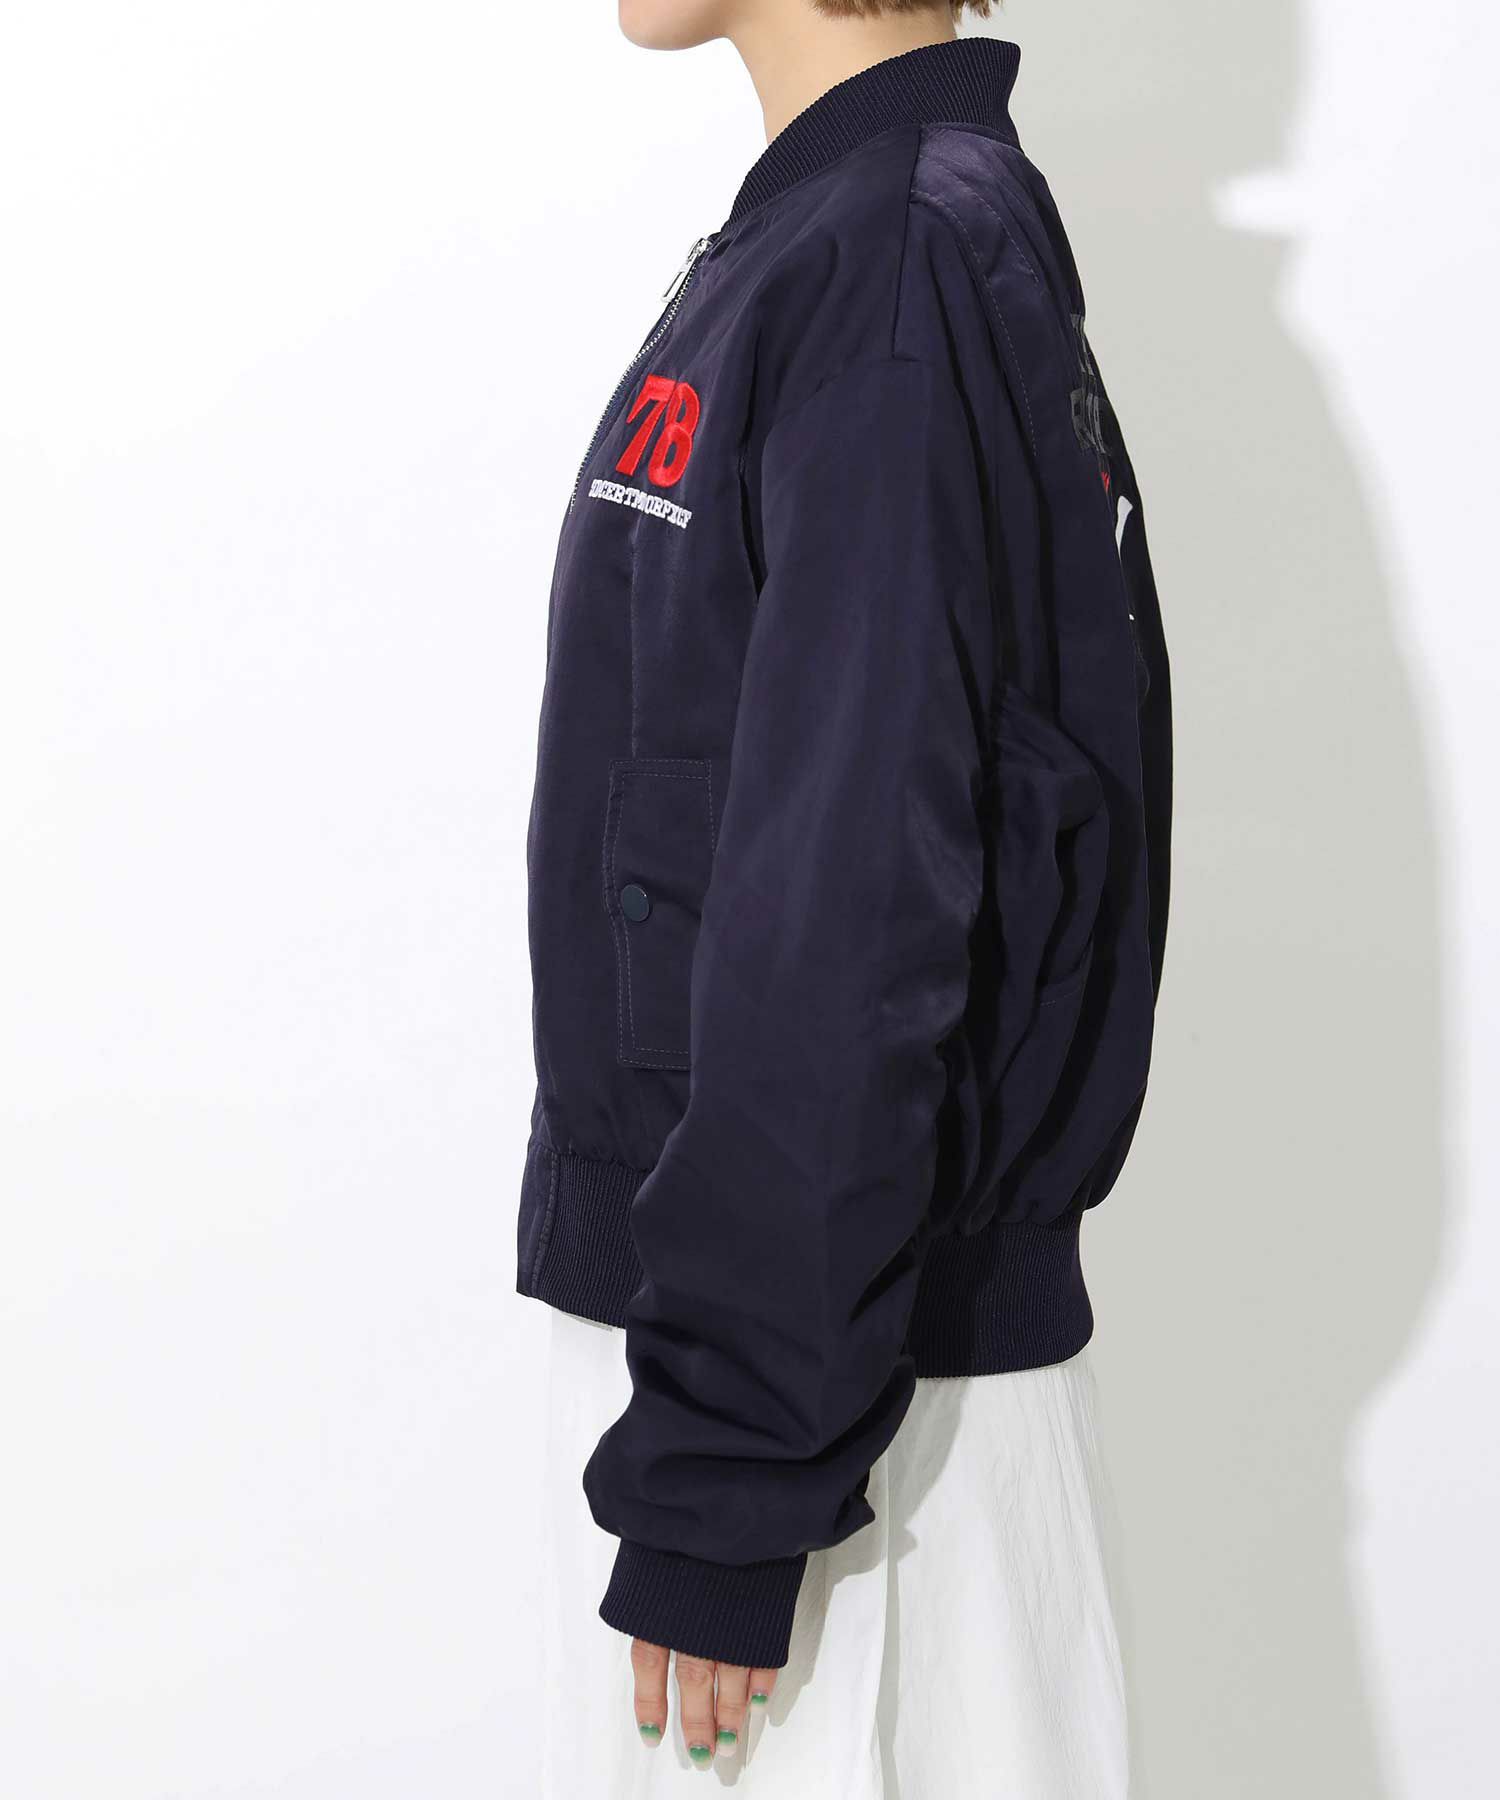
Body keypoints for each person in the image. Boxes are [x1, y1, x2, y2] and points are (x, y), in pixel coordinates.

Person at [515, 0, 1172, 1790]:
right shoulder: (852, 233)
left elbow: (854, 901)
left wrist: (731, 1477)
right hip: (788, 1367)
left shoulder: (891, 258)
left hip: (834, 1439)